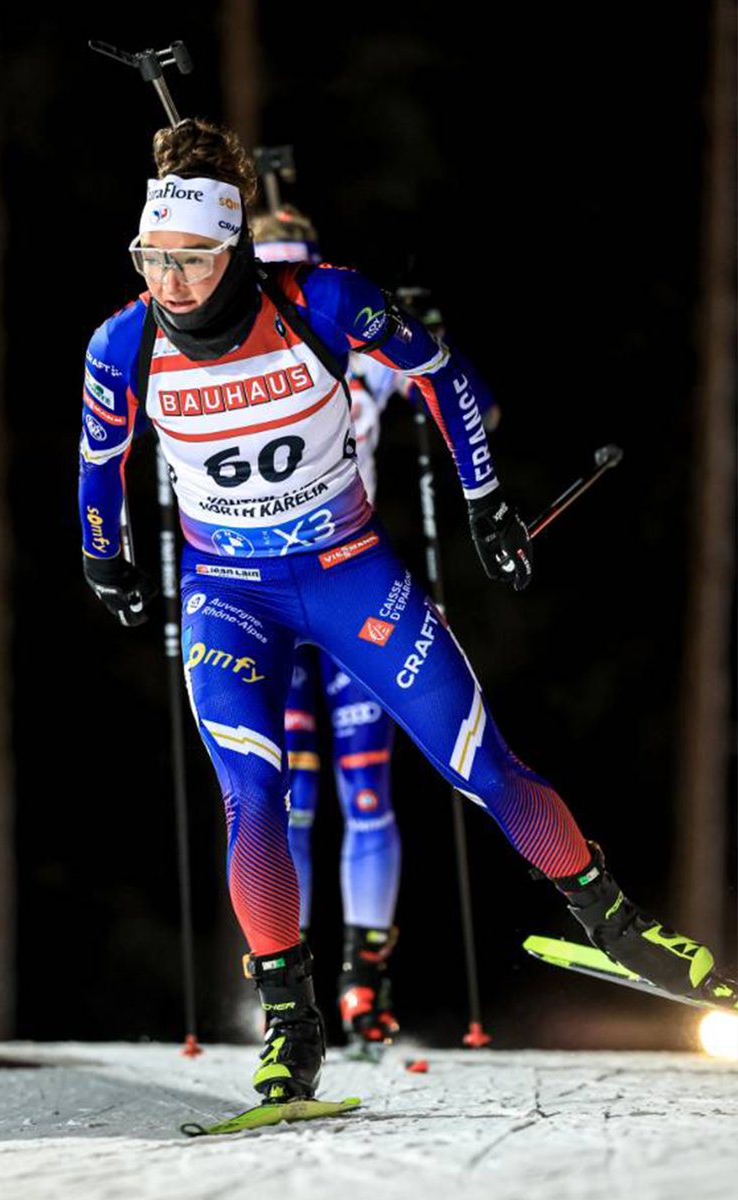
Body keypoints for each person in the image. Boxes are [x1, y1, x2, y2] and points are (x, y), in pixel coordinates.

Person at [79, 117, 733, 1103]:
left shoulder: (326, 303)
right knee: (256, 797)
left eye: (192, 262)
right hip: (229, 596)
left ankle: (617, 924)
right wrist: (104, 561)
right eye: (152, 260)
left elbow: (445, 378)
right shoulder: (122, 343)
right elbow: (100, 463)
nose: (168, 284)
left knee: (480, 762)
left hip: (349, 573)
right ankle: (293, 1023)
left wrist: (484, 503)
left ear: (235, 251)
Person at [250, 203, 501, 1054]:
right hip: (277, 593)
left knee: (355, 794)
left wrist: (426, 334)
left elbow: (467, 401)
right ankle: (302, 987)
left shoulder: (344, 335)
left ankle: (363, 985)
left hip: (350, 584)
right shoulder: (244, 344)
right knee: (297, 798)